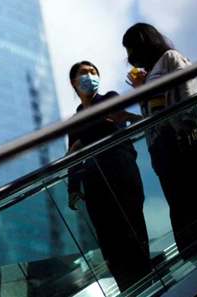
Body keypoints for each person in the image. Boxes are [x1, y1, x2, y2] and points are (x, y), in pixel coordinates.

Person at [123, 23, 197, 258]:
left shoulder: (169, 58)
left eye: (131, 48)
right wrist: (132, 111)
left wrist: (190, 122)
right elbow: (153, 119)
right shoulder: (147, 78)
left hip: (184, 137)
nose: (129, 57)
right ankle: (195, 259)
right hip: (162, 149)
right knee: (180, 208)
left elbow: (187, 84)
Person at [65, 61, 152, 291]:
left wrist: (83, 141)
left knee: (132, 232)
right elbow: (71, 157)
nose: (90, 76)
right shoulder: (74, 121)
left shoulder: (110, 98)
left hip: (121, 174)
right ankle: (129, 289)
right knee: (109, 243)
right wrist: (73, 188)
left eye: (94, 72)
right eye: (84, 73)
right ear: (74, 82)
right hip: (94, 185)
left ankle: (148, 286)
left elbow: (113, 127)